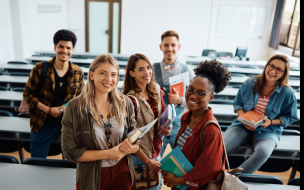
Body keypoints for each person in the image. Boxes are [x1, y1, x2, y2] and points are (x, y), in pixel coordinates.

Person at [61, 55, 140, 190]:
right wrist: (108, 154)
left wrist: (134, 148)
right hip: (91, 174)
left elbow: (134, 135)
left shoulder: (125, 103)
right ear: (91, 74)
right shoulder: (74, 107)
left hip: (122, 172)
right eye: (103, 73)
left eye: (113, 74)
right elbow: (70, 152)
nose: (109, 79)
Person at [162, 60, 231, 189]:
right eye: (191, 90)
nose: (193, 96)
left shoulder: (211, 130)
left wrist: (177, 181)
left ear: (211, 98)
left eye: (201, 93)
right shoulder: (185, 117)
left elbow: (208, 170)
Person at [224, 54, 299, 174]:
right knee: (222, 147)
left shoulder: (287, 93)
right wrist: (244, 118)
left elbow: (291, 117)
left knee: (263, 152)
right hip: (242, 125)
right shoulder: (249, 83)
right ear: (267, 65)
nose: (273, 71)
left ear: (284, 74)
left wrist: (271, 122)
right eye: (271, 66)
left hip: (269, 130)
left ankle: (234, 178)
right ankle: (210, 175)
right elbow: (238, 104)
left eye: (279, 69)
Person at [23, 29, 84, 158]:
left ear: (72, 50)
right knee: (36, 162)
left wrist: (63, 108)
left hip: (68, 123)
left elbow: (80, 98)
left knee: (71, 164)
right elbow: (28, 94)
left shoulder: (78, 72)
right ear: (55, 47)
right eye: (61, 46)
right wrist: (49, 110)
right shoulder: (40, 68)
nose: (64, 51)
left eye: (68, 48)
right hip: (42, 122)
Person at [122, 53, 172, 190]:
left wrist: (167, 128)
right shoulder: (130, 100)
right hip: (139, 156)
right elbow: (130, 138)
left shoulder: (155, 88)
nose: (147, 72)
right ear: (131, 73)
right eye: (140, 69)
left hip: (156, 151)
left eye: (148, 67)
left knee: (157, 186)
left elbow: (163, 116)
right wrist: (148, 161)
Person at [153, 30, 195, 158]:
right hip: (158, 126)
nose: (169, 48)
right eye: (166, 45)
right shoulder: (152, 69)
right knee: (156, 160)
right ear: (161, 47)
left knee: (180, 160)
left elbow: (195, 101)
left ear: (178, 47)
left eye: (173, 45)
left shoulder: (187, 71)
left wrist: (179, 101)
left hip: (179, 126)